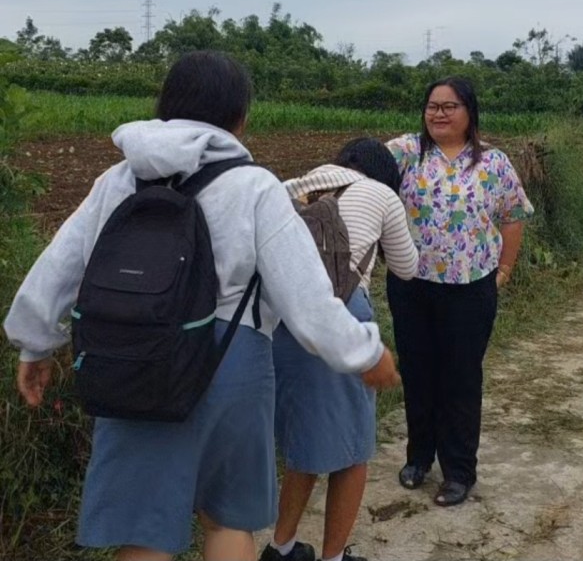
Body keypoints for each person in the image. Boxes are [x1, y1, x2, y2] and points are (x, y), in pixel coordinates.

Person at [4, 51, 400, 561]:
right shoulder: (254, 186)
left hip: (132, 356)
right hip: (229, 359)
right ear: (241, 117)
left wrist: (34, 342)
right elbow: (307, 301)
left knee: (144, 526)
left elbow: (60, 264)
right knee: (227, 519)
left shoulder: (118, 180)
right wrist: (366, 354)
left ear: (165, 105)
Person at [260, 138, 418, 561]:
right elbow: (407, 267)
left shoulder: (288, 188)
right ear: (383, 173)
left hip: (282, 319)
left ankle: (282, 546)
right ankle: (333, 558)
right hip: (341, 314)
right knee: (352, 450)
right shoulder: (381, 193)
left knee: (304, 440)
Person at [385, 76, 534, 507]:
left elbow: (512, 215)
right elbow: (366, 163)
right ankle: (418, 458)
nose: (439, 114)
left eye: (449, 106)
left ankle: (459, 471)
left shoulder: (493, 163)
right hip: (411, 285)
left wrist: (503, 269)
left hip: (470, 290)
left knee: (461, 378)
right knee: (418, 373)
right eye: (432, 106)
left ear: (470, 112)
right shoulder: (409, 153)